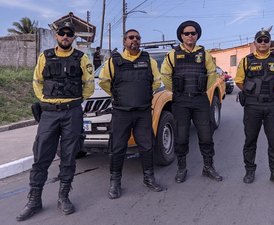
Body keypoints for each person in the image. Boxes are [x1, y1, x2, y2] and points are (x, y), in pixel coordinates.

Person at [16, 21, 95, 221]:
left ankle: (64, 197)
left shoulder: (81, 57)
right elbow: (37, 81)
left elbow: (89, 84)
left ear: (74, 38)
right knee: (41, 156)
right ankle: (34, 200)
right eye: (62, 33)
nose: (66, 36)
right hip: (49, 113)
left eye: (69, 34)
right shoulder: (45, 56)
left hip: (72, 113)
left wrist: (76, 102)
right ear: (56, 36)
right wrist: (46, 101)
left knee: (69, 156)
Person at [99, 29, 163, 199]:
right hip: (122, 112)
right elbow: (104, 82)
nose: (134, 40)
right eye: (131, 37)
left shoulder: (148, 60)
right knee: (117, 147)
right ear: (124, 41)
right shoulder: (114, 61)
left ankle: (149, 178)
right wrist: (119, 95)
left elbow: (157, 82)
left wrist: (143, 93)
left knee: (147, 146)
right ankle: (115, 182)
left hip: (142, 112)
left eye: (137, 37)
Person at [161, 20, 223, 183]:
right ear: (181, 36)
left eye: (193, 33)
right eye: (186, 33)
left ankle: (208, 167)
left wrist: (201, 89)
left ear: (197, 35)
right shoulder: (172, 55)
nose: (190, 36)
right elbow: (165, 76)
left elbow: (212, 74)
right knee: (181, 137)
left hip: (200, 100)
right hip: (180, 101)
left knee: (206, 136)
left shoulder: (205, 54)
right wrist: (176, 90)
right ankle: (182, 169)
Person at [235, 29, 274, 188]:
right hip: (252, 106)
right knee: (250, 140)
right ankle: (249, 170)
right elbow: (239, 81)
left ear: (270, 42)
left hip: (272, 105)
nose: (263, 43)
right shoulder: (246, 60)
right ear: (255, 43)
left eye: (266, 40)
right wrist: (252, 91)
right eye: (260, 40)